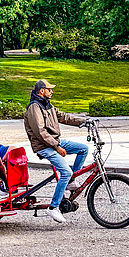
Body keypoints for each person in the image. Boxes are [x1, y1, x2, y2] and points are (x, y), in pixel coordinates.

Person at [24, 79, 89, 224]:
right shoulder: (34, 107)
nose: (52, 91)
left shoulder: (47, 105)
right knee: (65, 172)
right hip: (44, 146)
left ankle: (71, 181)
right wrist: (57, 147)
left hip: (54, 142)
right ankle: (53, 207)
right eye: (49, 89)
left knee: (83, 149)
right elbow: (40, 132)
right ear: (41, 91)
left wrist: (85, 121)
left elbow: (64, 117)